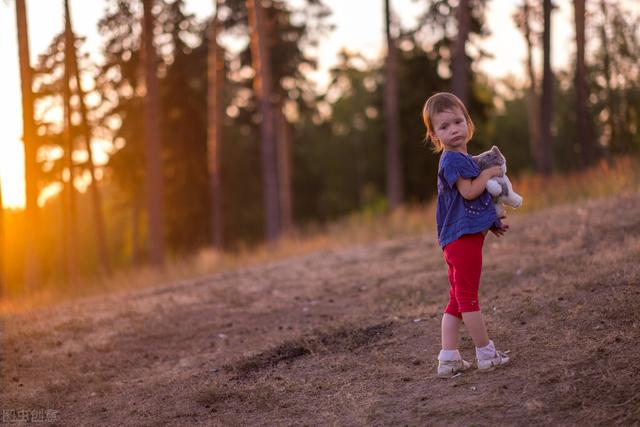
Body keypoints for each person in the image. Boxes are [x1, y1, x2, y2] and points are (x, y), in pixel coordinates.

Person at [422, 92, 511, 378]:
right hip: (461, 242)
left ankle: (448, 358)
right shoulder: (452, 161)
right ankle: (485, 352)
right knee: (468, 297)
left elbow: (470, 205)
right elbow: (470, 191)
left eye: (458, 121)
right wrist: (486, 176)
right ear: (435, 135)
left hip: (459, 239)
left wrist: (492, 222)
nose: (454, 129)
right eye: (444, 127)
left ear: (468, 123)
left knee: (457, 299)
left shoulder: (464, 158)